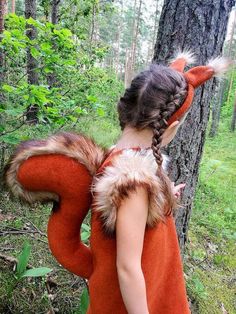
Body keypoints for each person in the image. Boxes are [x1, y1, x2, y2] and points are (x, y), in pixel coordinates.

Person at [5, 52, 229, 314]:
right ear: (170, 128)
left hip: (138, 284)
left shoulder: (119, 161)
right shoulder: (133, 183)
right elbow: (127, 268)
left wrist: (160, 200)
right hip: (127, 303)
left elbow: (131, 225)